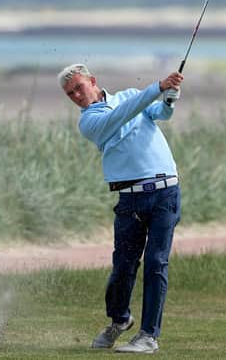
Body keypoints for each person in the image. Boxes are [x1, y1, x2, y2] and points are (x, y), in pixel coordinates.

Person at [57, 63, 183, 354]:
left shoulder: (128, 95)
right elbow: (121, 115)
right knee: (123, 266)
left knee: (156, 263)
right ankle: (120, 320)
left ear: (93, 81)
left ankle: (149, 336)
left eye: (79, 87)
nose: (76, 95)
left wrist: (169, 97)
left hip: (166, 192)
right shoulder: (89, 122)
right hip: (129, 199)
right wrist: (157, 88)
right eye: (70, 93)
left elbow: (160, 114)